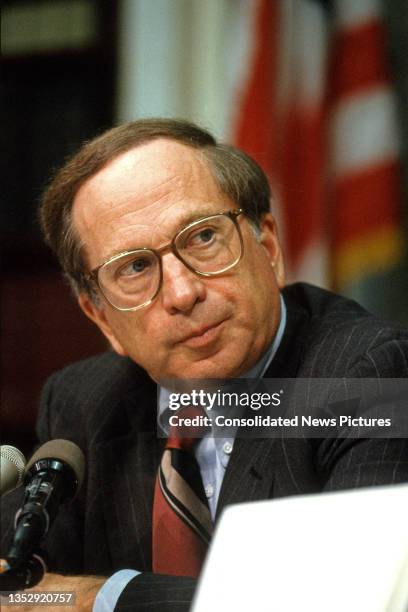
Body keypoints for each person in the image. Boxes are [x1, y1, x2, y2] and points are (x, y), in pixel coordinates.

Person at [1, 118, 408, 612]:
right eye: (134, 267)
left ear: (269, 247)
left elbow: (348, 601)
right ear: (101, 317)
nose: (182, 292)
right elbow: (25, 589)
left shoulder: (367, 377)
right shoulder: (82, 402)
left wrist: (99, 598)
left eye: (203, 238)